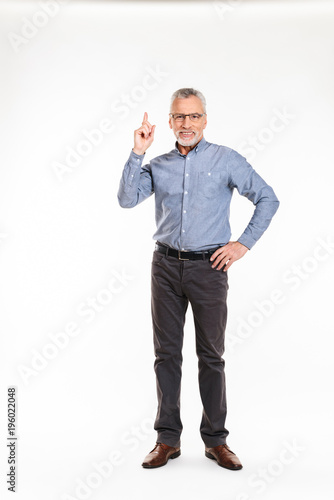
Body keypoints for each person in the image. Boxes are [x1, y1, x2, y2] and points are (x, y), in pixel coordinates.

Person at [117, 88, 279, 470]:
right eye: (179, 117)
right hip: (166, 268)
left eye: (193, 116)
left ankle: (216, 441)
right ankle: (167, 440)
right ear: (170, 122)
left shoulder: (227, 160)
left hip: (210, 269)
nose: (186, 124)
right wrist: (137, 151)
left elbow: (268, 198)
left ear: (205, 119)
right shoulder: (158, 164)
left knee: (211, 356)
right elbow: (126, 199)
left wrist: (242, 245)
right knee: (166, 356)